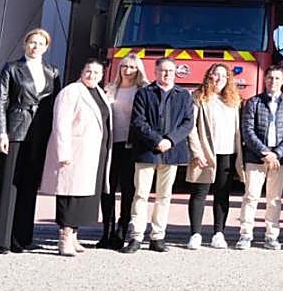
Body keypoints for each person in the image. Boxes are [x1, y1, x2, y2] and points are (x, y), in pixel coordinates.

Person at [0, 28, 62, 253]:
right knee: (9, 184)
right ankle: (2, 239)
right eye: (32, 42)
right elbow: (1, 102)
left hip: (40, 133)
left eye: (40, 43)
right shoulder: (12, 68)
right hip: (15, 130)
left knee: (29, 185)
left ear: (46, 47)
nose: (35, 47)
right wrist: (1, 132)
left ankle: (22, 238)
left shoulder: (52, 72)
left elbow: (56, 106)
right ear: (25, 44)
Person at [40, 60, 112, 257]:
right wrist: (63, 152)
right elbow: (61, 123)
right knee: (69, 195)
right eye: (88, 71)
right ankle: (64, 237)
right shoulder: (71, 91)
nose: (92, 75)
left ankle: (74, 236)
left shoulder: (100, 93)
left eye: (97, 72)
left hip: (94, 153)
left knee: (84, 196)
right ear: (81, 71)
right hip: (75, 152)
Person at [124, 57, 194, 253]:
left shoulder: (184, 96)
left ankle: (158, 237)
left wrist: (170, 140)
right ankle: (136, 236)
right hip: (146, 151)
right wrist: (157, 140)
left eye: (170, 71)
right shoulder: (144, 93)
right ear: (155, 72)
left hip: (171, 151)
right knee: (141, 194)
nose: (166, 74)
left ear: (176, 73)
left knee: (164, 195)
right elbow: (138, 121)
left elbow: (188, 123)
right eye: (162, 71)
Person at [237, 65, 283, 250]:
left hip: (279, 159)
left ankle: (271, 236)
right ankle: (245, 235)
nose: (273, 81)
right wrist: (265, 152)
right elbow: (247, 130)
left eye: (277, 78)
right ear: (265, 80)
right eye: (270, 77)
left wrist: (276, 154)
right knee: (251, 196)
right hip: (256, 157)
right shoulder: (253, 102)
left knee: (274, 199)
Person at [185, 63, 241, 250]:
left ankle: (219, 233)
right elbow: (191, 127)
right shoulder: (199, 97)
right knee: (199, 194)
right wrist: (196, 151)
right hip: (205, 153)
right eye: (215, 75)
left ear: (228, 79)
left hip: (227, 152)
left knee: (222, 194)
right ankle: (195, 234)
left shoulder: (233, 100)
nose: (219, 79)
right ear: (209, 76)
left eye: (223, 76)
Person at [100, 53, 148, 249]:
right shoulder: (110, 89)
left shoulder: (143, 91)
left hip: (131, 146)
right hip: (111, 145)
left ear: (138, 70)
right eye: (124, 67)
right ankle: (107, 231)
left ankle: (121, 230)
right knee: (107, 188)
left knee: (128, 189)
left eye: (132, 67)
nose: (127, 71)